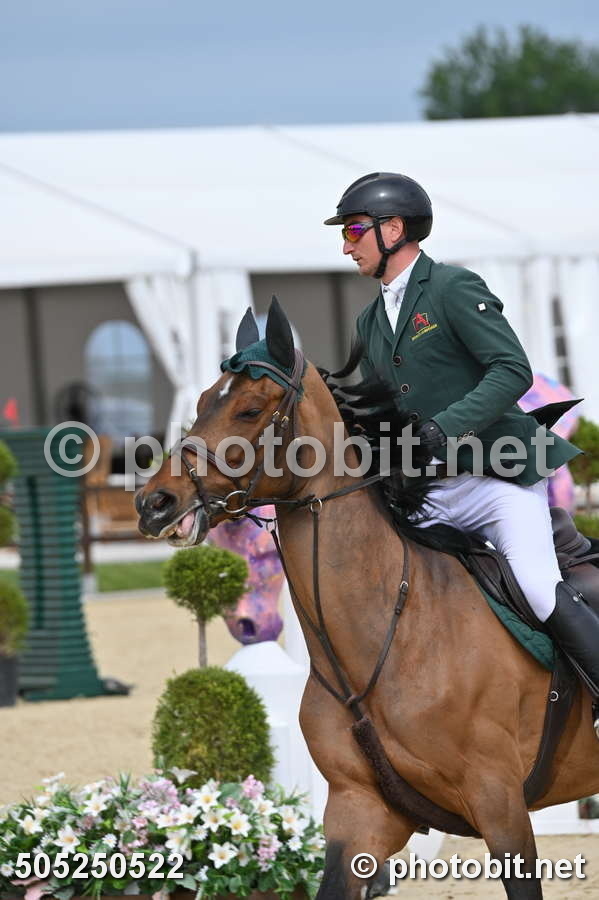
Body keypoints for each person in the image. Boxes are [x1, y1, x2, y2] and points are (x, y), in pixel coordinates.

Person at [324, 172, 599, 732]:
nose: (347, 245)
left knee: (537, 587)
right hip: (429, 491)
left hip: (497, 480)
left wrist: (444, 429)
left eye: (354, 230)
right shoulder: (369, 320)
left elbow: (512, 370)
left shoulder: (451, 287)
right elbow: (384, 410)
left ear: (393, 230)